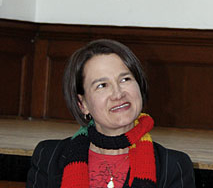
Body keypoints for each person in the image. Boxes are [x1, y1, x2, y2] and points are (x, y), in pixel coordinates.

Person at [26, 39, 195, 188]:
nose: (118, 94)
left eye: (125, 79)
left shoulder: (173, 166)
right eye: (102, 85)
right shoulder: (49, 157)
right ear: (82, 104)